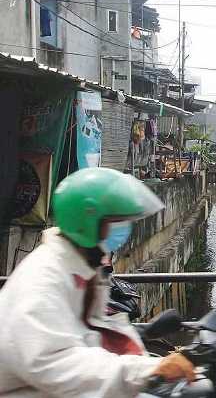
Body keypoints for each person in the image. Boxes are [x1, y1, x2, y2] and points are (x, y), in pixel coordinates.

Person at [0, 168, 196, 397]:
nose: (122, 229)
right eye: (115, 221)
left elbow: (85, 332)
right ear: (88, 221)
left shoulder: (79, 266)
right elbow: (57, 363)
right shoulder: (44, 279)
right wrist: (146, 369)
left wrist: (139, 333)